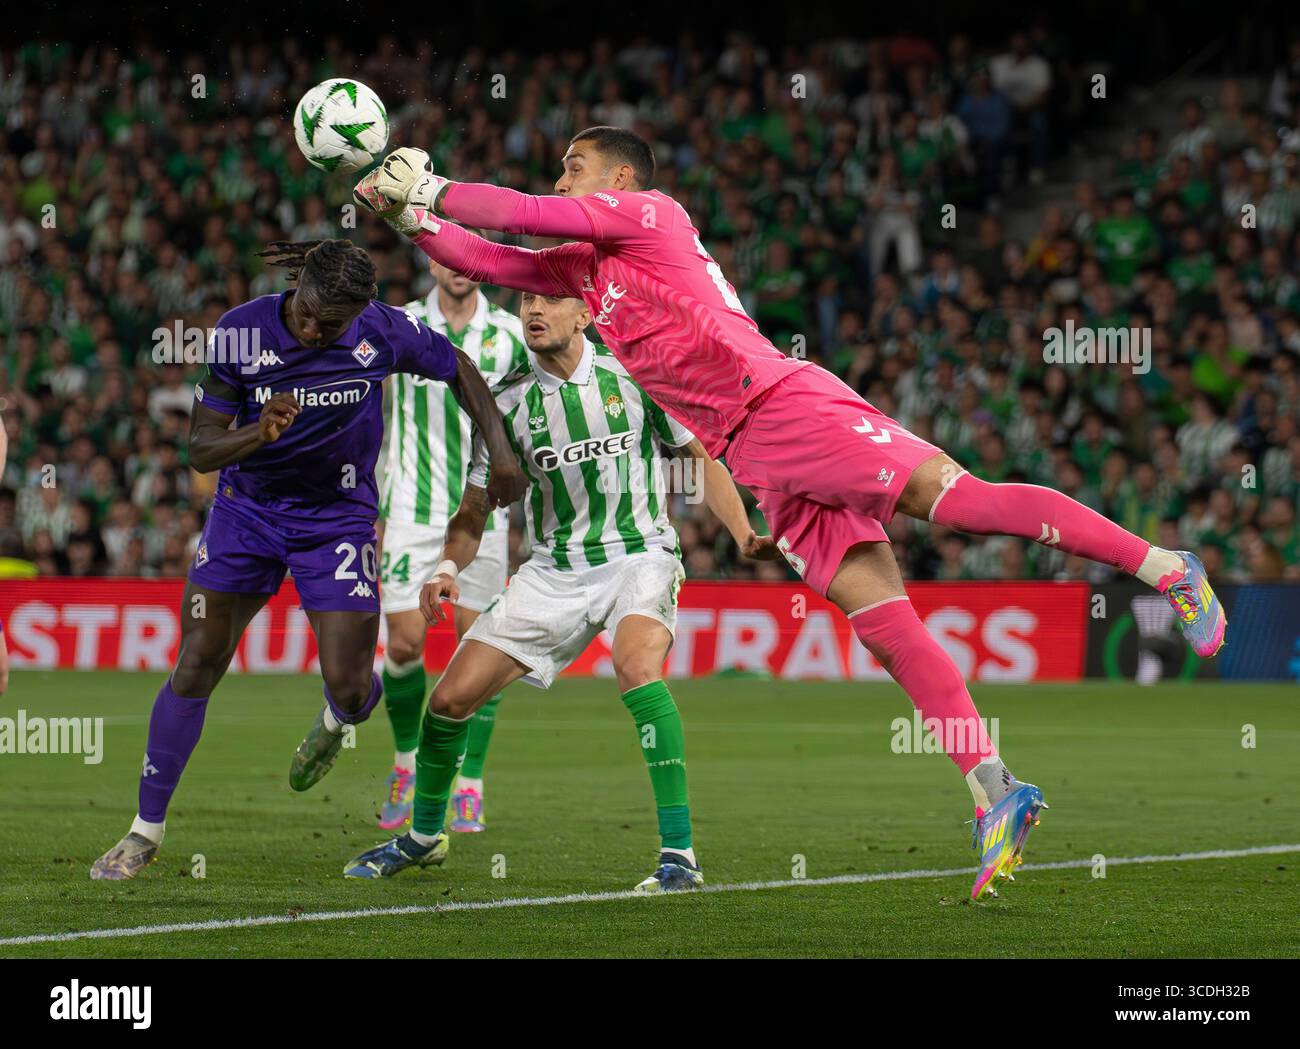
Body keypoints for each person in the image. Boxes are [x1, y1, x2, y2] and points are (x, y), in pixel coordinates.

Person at [354, 130, 1226, 900]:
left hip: (781, 403)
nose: (563, 176)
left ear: (620, 176)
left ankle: (1162, 565)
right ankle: (995, 789)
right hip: (755, 455)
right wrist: (407, 217)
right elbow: (492, 258)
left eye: (575, 166)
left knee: (960, 502)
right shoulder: (581, 272)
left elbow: (524, 215)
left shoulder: (649, 214)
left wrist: (432, 185)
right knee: (884, 625)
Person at [89, 239, 524, 880]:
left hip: (337, 522)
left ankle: (335, 718)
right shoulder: (241, 331)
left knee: (353, 690)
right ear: (299, 286)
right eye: (313, 313)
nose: (319, 328)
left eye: (336, 322)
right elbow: (201, 450)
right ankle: (143, 831)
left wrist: (500, 447)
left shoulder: (380, 329)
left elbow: (455, 363)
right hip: (247, 515)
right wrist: (255, 431)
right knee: (197, 661)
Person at [344, 291, 779, 892]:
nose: (533, 311)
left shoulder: (635, 377)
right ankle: (422, 837)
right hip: (553, 571)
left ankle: (678, 853)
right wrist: (447, 566)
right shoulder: (506, 404)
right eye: (526, 301)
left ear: (586, 316)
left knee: (637, 669)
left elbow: (698, 457)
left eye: (551, 300)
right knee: (448, 701)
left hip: (639, 555)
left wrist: (743, 530)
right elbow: (473, 511)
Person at [376, 255, 528, 832]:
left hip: (479, 511)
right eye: (446, 257)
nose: (457, 268)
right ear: (430, 262)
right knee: (405, 644)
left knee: (480, 647)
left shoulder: (512, 335)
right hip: (410, 510)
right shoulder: (400, 324)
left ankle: (470, 782)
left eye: (468, 257)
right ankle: (406, 762)